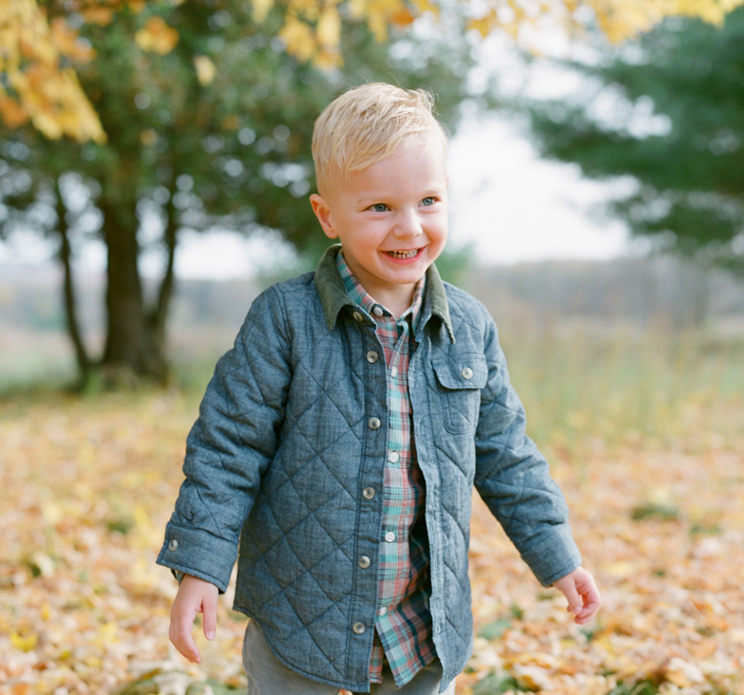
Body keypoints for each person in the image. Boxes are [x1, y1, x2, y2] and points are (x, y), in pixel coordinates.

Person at [157, 82, 600, 695]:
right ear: (327, 216)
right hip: (301, 622)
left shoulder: (468, 328)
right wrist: (200, 567)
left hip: (421, 629)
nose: (409, 226)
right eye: (379, 208)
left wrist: (558, 555)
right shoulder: (285, 319)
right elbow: (228, 448)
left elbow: (507, 454)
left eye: (427, 201)